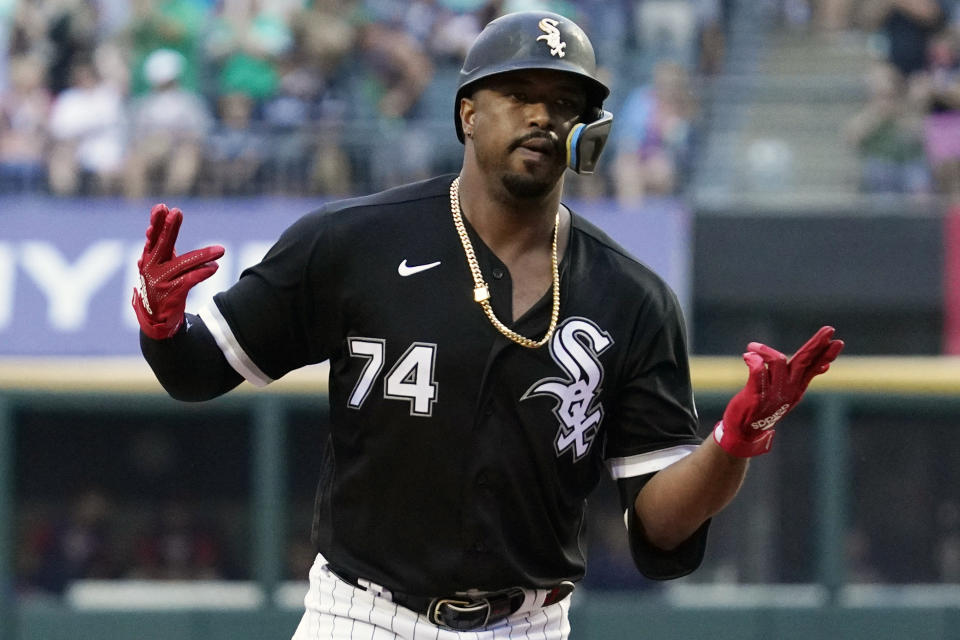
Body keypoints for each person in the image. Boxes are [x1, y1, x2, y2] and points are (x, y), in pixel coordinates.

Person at [133, 11, 844, 639]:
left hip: (529, 624)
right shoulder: (351, 243)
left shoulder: (632, 297)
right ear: (468, 112)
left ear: (587, 133)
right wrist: (162, 325)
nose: (543, 117)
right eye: (520, 95)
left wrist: (733, 441)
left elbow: (659, 529)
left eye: (566, 103)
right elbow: (198, 371)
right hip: (362, 615)